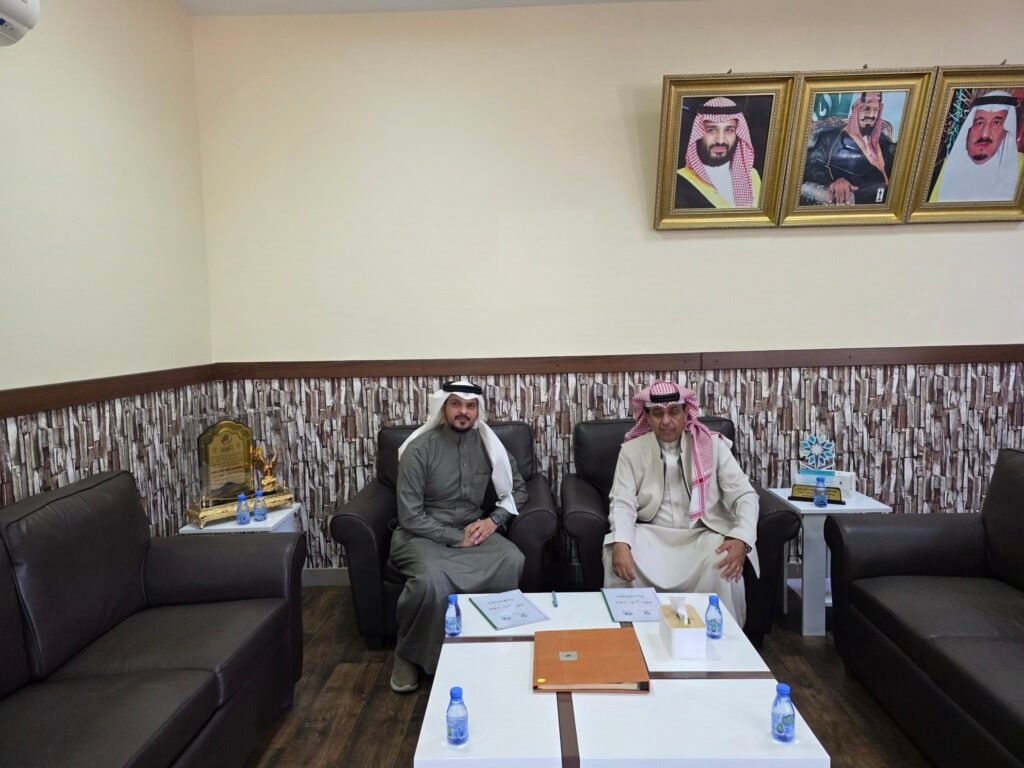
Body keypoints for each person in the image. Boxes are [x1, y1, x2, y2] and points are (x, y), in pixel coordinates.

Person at [389, 380, 527, 692]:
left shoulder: (489, 446)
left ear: (478, 410)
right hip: (421, 535)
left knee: (511, 559)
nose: (463, 411)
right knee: (430, 580)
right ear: (443, 408)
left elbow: (518, 490)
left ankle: (491, 647)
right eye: (456, 404)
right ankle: (408, 655)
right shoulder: (419, 449)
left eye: (470, 405)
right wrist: (454, 537)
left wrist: (493, 520)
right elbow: (410, 516)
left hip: (473, 530)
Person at [603, 380, 759, 626]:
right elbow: (622, 501)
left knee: (723, 559)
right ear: (647, 416)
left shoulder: (712, 445)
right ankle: (630, 637)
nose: (666, 421)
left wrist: (741, 537)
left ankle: (723, 637)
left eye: (674, 411)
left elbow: (745, 495)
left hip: (702, 534)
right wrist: (622, 541)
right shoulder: (631, 451)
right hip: (651, 535)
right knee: (615, 550)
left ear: (687, 412)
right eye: (658, 413)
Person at [929, 90, 1024, 203]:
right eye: (979, 123)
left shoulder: (1020, 170)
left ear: (1007, 130)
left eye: (996, 123)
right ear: (968, 128)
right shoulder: (945, 168)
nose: (984, 134)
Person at [803, 91, 895, 205]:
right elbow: (810, 166)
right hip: (862, 202)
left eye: (876, 110)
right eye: (866, 109)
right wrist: (836, 180)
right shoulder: (832, 137)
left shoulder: (881, 138)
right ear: (856, 110)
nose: (871, 115)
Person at [675, 97, 761, 209]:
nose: (720, 140)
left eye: (729, 130)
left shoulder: (753, 176)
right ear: (699, 134)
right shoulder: (678, 181)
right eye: (711, 130)